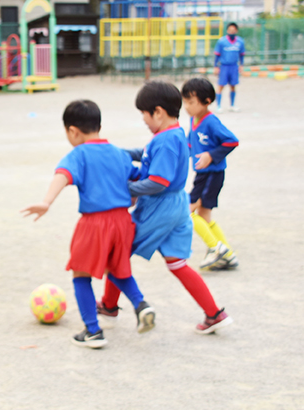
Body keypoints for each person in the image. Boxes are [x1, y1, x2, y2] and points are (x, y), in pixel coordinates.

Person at [97, 81, 233, 335]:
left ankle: (109, 306)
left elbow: (158, 181)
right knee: (177, 263)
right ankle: (214, 314)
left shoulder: (166, 140)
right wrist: (117, 153)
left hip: (159, 208)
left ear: (158, 112)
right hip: (177, 207)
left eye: (144, 115)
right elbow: (146, 153)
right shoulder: (171, 134)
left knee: (118, 253)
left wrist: (126, 190)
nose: (144, 120)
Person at [22, 100, 156, 349]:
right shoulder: (118, 153)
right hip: (123, 221)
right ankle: (141, 304)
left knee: (80, 274)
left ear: (73, 131)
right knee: (118, 268)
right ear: (99, 125)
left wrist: (46, 202)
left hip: (95, 223)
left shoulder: (79, 154)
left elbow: (62, 175)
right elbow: (140, 176)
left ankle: (93, 330)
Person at [182, 78, 240, 270]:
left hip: (212, 174)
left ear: (206, 101)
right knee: (204, 213)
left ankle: (216, 248)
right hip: (202, 174)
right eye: (186, 102)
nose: (187, 107)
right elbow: (191, 141)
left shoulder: (211, 122)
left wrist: (211, 155)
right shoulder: (194, 119)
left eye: (191, 102)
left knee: (188, 212)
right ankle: (228, 254)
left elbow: (231, 141)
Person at [213, 22, 246, 113]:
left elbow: (242, 55)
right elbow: (217, 54)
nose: (231, 31)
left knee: (233, 86)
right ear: (227, 30)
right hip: (224, 66)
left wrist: (241, 65)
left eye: (233, 30)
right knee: (220, 85)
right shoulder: (222, 41)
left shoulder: (240, 42)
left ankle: (232, 105)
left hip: (234, 66)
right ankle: (218, 105)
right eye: (230, 30)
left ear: (236, 30)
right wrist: (215, 66)